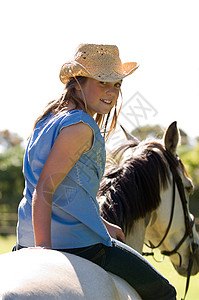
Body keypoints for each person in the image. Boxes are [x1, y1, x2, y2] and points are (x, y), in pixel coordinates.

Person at [15, 44, 176, 300]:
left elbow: (70, 188)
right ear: (78, 82)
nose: (111, 92)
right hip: (74, 243)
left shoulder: (48, 119)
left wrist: (101, 223)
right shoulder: (81, 126)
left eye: (117, 85)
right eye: (103, 82)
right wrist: (42, 249)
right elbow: (46, 186)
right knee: (165, 292)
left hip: (25, 234)